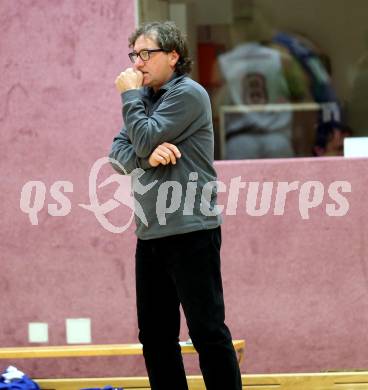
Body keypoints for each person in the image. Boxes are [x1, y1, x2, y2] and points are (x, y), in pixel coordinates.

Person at [109, 21, 242, 390]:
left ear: (173, 56)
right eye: (134, 54)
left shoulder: (188, 94)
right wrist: (147, 159)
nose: (138, 63)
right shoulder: (145, 99)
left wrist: (129, 101)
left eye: (146, 53)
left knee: (207, 332)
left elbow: (145, 135)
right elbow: (117, 157)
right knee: (154, 336)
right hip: (150, 233)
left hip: (192, 231)